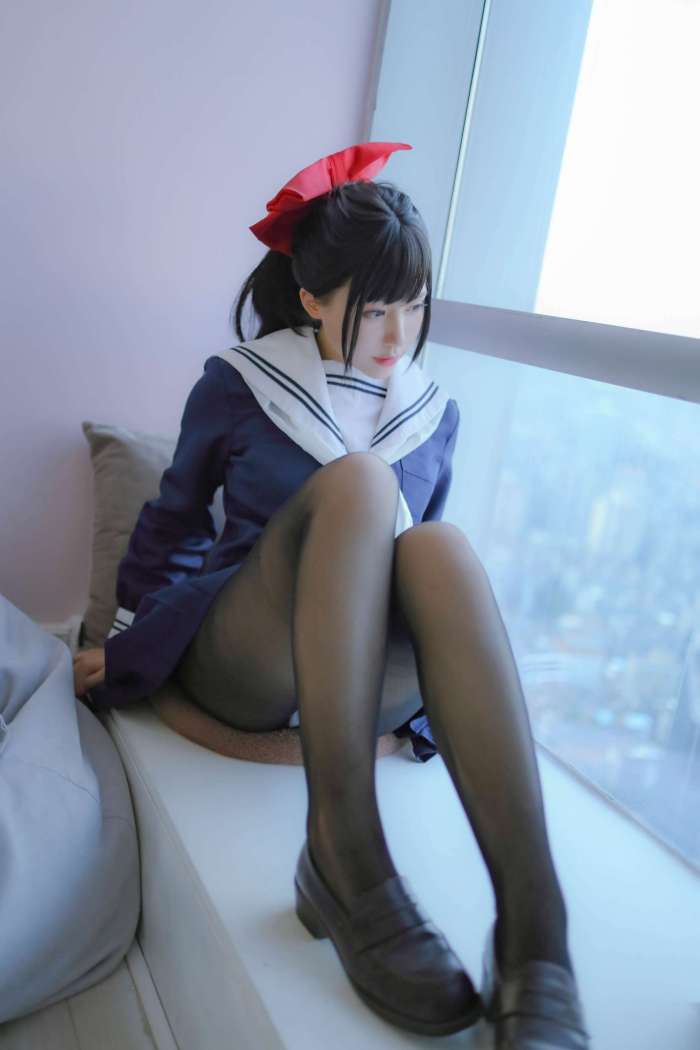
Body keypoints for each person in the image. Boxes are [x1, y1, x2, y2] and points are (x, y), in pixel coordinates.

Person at [73, 142, 590, 1048]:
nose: (399, 335)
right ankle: (346, 857)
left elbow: (417, 580)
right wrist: (122, 643)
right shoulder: (242, 381)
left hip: (368, 679)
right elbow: (175, 520)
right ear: (312, 298)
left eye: (414, 306)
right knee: (359, 484)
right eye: (376, 309)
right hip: (250, 654)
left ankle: (536, 935)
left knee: (438, 546)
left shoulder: (435, 412)